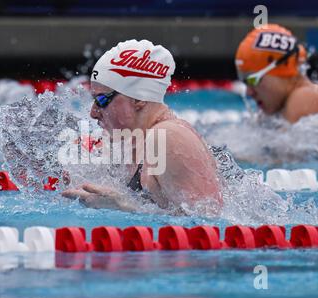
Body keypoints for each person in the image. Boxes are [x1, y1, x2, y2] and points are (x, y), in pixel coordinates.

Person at [62, 39, 222, 212]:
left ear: (138, 99)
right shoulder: (132, 140)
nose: (93, 113)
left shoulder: (169, 136)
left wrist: (127, 208)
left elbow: (209, 226)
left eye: (101, 100)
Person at [235, 24, 318, 124]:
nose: (249, 92)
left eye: (253, 79)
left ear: (282, 67)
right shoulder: (279, 109)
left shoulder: (307, 97)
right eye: (244, 81)